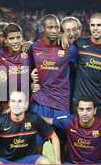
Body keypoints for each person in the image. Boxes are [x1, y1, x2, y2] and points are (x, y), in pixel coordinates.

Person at [71, 13, 101, 165]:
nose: (95, 28)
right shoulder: (80, 44)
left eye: (99, 25)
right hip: (79, 105)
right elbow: (63, 42)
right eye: (92, 25)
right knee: (77, 144)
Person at [29, 14, 78, 155]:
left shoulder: (70, 49)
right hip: (40, 103)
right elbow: (29, 70)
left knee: (64, 146)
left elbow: (78, 71)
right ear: (42, 28)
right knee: (37, 145)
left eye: (57, 27)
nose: (54, 31)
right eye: (50, 27)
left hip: (61, 103)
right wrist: (33, 82)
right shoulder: (34, 47)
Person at [44, 95, 101, 165]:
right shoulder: (69, 121)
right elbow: (48, 121)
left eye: (88, 109)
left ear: (95, 110)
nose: (84, 113)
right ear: (77, 110)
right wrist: (31, 116)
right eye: (81, 109)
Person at [0, 90, 60, 165]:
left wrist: (58, 162)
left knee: (45, 162)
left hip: (29, 159)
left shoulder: (34, 118)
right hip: (6, 160)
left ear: (26, 104)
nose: (16, 104)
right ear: (9, 103)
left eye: (20, 101)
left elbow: (54, 137)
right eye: (13, 101)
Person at [0, 23, 31, 98]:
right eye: (11, 38)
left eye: (18, 37)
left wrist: (29, 43)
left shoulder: (28, 50)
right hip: (5, 103)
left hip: (26, 102)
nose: (16, 41)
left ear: (22, 38)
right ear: (5, 40)